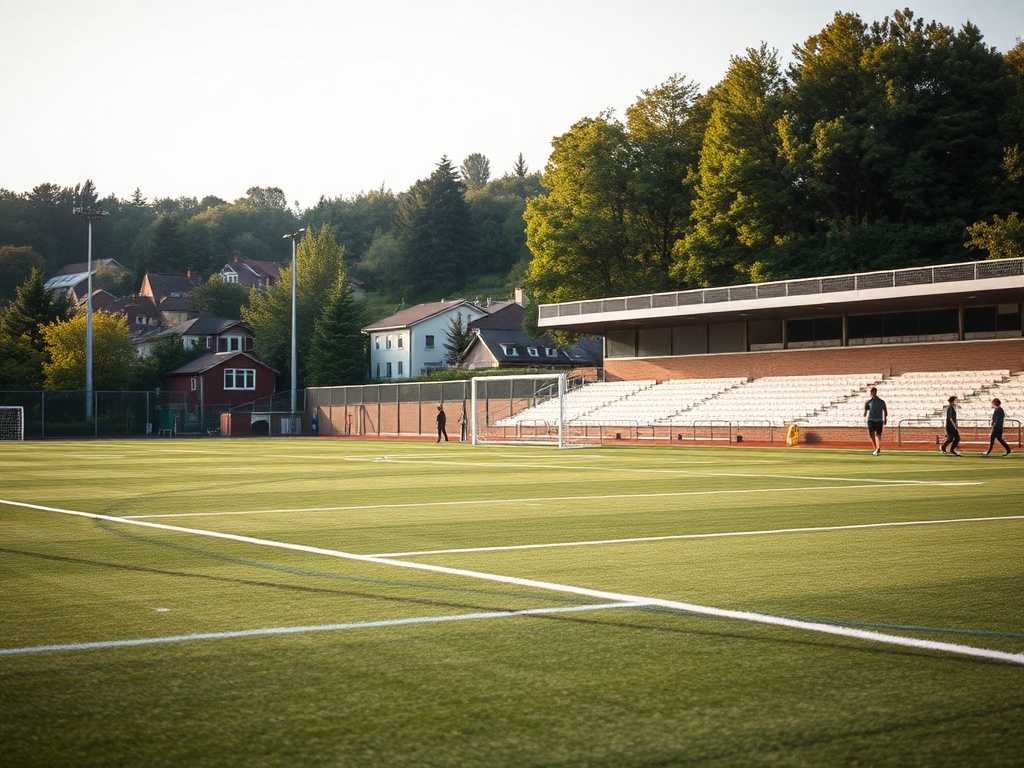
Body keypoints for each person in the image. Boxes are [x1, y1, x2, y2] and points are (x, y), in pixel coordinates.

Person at [863, 386, 888, 456]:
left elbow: (885, 411)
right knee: (871, 434)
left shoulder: (881, 402)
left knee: (878, 434)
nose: (871, 393)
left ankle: (878, 448)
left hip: (879, 420)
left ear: (875, 392)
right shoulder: (869, 402)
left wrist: (885, 418)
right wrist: (865, 411)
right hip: (871, 419)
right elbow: (866, 410)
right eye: (871, 391)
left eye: (872, 391)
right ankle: (875, 447)